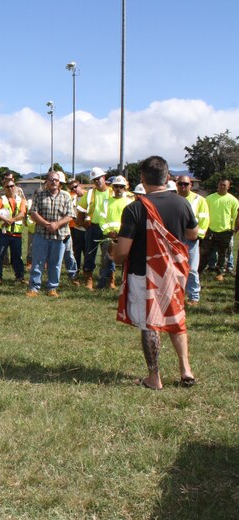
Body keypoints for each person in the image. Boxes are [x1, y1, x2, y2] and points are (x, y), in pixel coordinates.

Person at [113, 156, 197, 390]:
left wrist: (113, 252)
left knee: (150, 324)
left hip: (144, 273)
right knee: (176, 319)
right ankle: (185, 369)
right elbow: (193, 234)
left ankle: (154, 377)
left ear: (142, 179)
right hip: (174, 273)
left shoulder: (135, 209)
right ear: (168, 178)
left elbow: (121, 253)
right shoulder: (183, 203)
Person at [26, 171, 75, 297]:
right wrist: (47, 225)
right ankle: (34, 288)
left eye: (56, 180)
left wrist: (57, 224)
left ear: (59, 183)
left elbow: (71, 215)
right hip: (41, 234)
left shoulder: (66, 196)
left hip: (59, 236)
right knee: (37, 262)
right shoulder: (39, 195)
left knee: (56, 263)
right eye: (51, 180)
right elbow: (33, 213)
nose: (54, 182)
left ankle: (52, 288)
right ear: (46, 182)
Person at [176, 175, 209, 305]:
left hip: (191, 240)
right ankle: (177, 294)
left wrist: (198, 236)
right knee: (175, 268)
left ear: (191, 185)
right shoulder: (173, 199)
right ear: (176, 185)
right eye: (180, 184)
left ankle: (194, 296)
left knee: (192, 269)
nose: (183, 186)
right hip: (175, 239)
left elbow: (204, 219)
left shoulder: (199, 200)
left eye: (186, 184)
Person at [77, 167, 112, 289]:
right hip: (93, 227)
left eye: (99, 178)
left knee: (108, 255)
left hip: (108, 228)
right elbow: (80, 209)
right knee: (89, 253)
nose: (97, 181)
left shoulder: (112, 192)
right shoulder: (90, 194)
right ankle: (89, 280)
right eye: (94, 179)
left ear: (104, 178)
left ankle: (109, 280)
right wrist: (82, 222)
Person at [198, 179, 239, 282]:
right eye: (220, 185)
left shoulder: (233, 200)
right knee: (205, 253)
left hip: (225, 231)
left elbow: (236, 217)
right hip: (210, 230)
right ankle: (199, 272)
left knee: (223, 254)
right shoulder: (209, 198)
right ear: (218, 185)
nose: (222, 187)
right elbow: (204, 213)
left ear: (228, 187)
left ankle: (220, 273)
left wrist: (233, 230)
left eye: (224, 185)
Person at [97, 175, 133, 289]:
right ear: (112, 187)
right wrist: (108, 231)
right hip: (109, 236)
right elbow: (101, 219)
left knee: (126, 261)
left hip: (125, 236)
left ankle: (125, 284)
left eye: (121, 187)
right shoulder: (106, 202)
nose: (118, 189)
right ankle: (104, 283)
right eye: (116, 186)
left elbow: (132, 220)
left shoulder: (129, 202)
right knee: (106, 260)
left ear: (125, 188)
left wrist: (122, 233)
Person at [0, 177, 27, 284]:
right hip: (3, 233)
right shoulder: (0, 199)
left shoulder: (22, 200)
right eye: (7, 187)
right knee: (0, 255)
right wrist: (5, 220)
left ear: (15, 187)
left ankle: (20, 277)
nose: (10, 188)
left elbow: (22, 213)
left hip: (16, 233)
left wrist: (11, 220)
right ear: (4, 188)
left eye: (12, 186)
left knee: (17, 257)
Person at [69, 180, 87, 271]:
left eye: (76, 187)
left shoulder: (89, 196)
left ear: (80, 185)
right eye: (72, 189)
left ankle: (87, 270)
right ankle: (76, 269)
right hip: (78, 227)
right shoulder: (73, 199)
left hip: (88, 227)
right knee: (77, 250)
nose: (74, 189)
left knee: (87, 250)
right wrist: (77, 221)